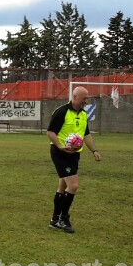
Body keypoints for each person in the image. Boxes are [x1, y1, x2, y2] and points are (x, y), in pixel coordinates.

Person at [46, 86, 101, 233]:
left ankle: (54, 220)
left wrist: (94, 150)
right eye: (84, 98)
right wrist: (59, 146)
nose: (86, 101)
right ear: (75, 97)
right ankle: (63, 219)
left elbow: (86, 134)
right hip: (61, 153)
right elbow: (50, 132)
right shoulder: (61, 111)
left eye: (87, 98)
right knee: (74, 185)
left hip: (75, 154)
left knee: (62, 187)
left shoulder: (83, 114)